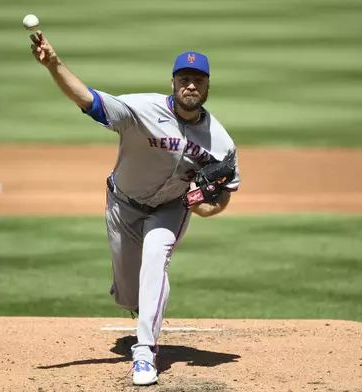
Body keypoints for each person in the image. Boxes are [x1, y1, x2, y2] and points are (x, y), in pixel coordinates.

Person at [29, 31, 241, 386]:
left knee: (157, 258)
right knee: (130, 293)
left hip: (170, 208)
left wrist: (203, 205)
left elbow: (222, 195)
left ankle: (145, 353)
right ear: (173, 82)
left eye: (198, 81)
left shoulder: (220, 141)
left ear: (207, 87)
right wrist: (54, 64)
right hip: (121, 205)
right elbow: (89, 100)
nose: (191, 86)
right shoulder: (141, 109)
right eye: (184, 79)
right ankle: (140, 301)